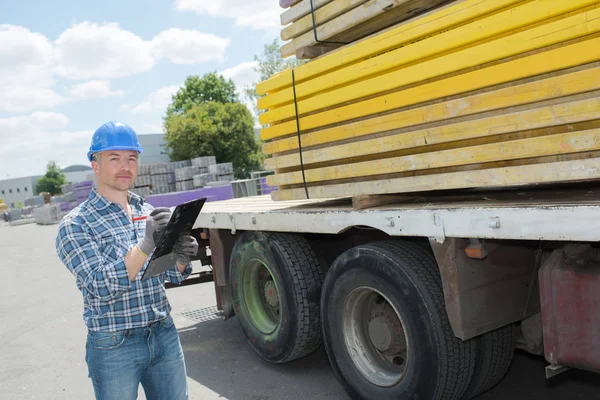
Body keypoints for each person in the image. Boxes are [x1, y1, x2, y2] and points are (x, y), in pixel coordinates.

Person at [56, 121, 198, 400]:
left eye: (131, 158)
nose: (125, 166)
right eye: (114, 158)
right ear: (95, 165)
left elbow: (172, 276)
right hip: (114, 345)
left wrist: (181, 257)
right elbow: (100, 286)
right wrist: (145, 245)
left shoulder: (147, 212)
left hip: (163, 334)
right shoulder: (75, 225)